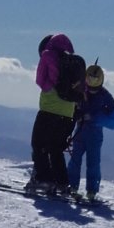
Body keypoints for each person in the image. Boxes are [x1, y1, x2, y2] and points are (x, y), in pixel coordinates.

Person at [26, 34, 80, 196]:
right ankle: (62, 183)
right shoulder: (72, 62)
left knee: (39, 146)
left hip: (49, 111)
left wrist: (49, 85)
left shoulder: (48, 55)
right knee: (56, 149)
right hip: (68, 114)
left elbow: (41, 82)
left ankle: (44, 180)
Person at [67, 63, 114, 200]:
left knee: (92, 162)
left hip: (92, 134)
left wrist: (95, 117)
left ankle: (91, 191)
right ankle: (72, 186)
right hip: (81, 131)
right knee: (76, 161)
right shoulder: (84, 91)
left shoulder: (104, 95)